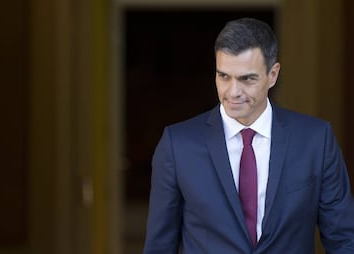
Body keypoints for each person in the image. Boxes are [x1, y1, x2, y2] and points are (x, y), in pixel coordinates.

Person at [143, 17, 354, 253]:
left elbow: (344, 239)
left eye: (247, 79)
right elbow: (160, 246)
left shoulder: (316, 140)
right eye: (224, 76)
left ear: (272, 75)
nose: (233, 92)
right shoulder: (177, 145)